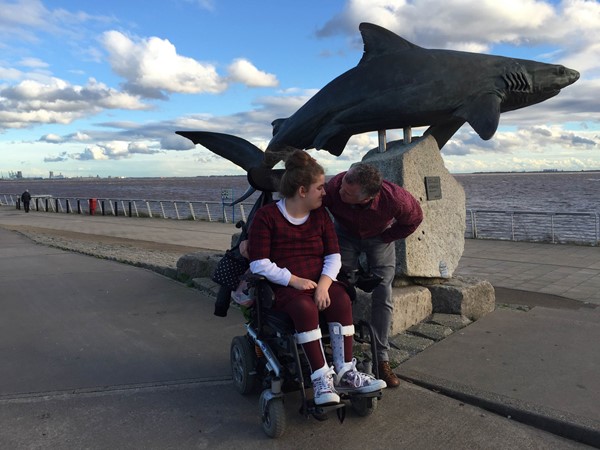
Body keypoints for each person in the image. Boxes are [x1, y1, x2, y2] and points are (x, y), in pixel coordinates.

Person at [245, 150, 386, 406]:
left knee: (341, 299)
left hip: (320, 279)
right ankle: (321, 378)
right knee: (304, 307)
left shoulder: (321, 216)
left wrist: (323, 285)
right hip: (286, 286)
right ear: (302, 191)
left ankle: (344, 372)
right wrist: (294, 280)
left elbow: (333, 256)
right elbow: (259, 263)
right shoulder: (267, 217)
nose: (325, 192)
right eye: (320, 187)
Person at [323, 163, 423, 388]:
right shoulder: (335, 187)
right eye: (342, 186)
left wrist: (387, 237)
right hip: (344, 235)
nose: (340, 192)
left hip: (379, 237)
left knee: (383, 292)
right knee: (340, 287)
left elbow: (414, 219)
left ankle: (381, 358)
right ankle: (338, 349)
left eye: (347, 194)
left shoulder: (395, 199)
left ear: (368, 197)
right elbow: (314, 208)